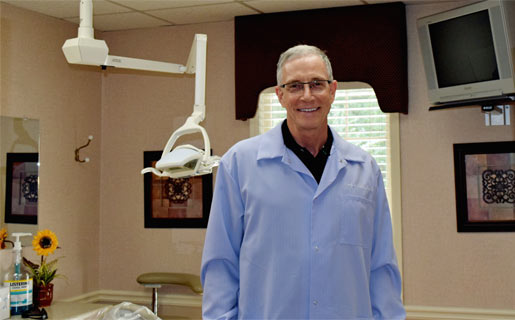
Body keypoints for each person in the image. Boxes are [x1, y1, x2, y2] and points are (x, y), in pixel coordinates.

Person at [201, 44, 405, 319]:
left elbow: (381, 266)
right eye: (295, 86)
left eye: (317, 84)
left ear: (332, 91)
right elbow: (221, 262)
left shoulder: (364, 168)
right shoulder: (240, 164)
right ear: (280, 95)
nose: (307, 96)